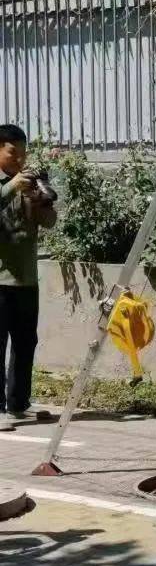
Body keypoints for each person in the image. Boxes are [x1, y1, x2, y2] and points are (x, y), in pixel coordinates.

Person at [0, 125, 57, 430]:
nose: (19, 159)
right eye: (13, 152)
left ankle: (18, 404)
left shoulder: (26, 183)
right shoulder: (7, 185)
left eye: (23, 153)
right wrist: (12, 187)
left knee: (25, 342)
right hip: (0, 281)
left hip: (26, 279)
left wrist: (41, 199)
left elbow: (49, 223)